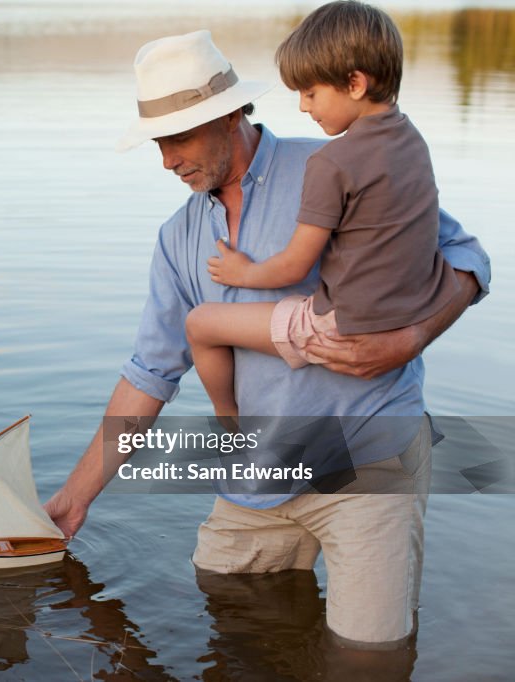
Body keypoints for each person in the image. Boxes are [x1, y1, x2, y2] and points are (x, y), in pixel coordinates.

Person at [44, 25, 490, 649]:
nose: (167, 160)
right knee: (234, 628)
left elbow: (468, 258)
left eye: (178, 139)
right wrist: (73, 498)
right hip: (255, 478)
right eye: (158, 143)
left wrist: (410, 338)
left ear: (229, 116)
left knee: (370, 658)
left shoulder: (337, 165)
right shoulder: (178, 240)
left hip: (368, 460)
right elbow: (150, 373)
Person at [184, 1, 459, 424]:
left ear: (354, 83)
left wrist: (243, 273)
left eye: (310, 93)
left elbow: (294, 265)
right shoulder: (413, 141)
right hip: (410, 310)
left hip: (340, 327)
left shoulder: (332, 163)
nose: (303, 107)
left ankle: (228, 421)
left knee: (202, 324)